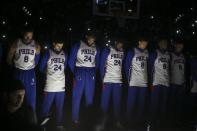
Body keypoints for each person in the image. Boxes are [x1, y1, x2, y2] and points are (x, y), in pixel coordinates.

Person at [6, 26, 40, 116]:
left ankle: (32, 120)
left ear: (32, 35)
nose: (28, 38)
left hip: (30, 73)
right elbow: (9, 58)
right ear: (22, 34)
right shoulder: (16, 43)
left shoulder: (36, 45)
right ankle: (14, 118)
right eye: (26, 36)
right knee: (16, 98)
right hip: (18, 71)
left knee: (31, 98)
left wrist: (30, 67)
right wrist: (15, 67)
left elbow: (37, 60)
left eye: (30, 36)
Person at [68, 31, 100, 125]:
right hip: (80, 71)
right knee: (77, 96)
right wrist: (76, 72)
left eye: (93, 39)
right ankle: (75, 118)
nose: (91, 40)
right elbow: (71, 61)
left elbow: (97, 62)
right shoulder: (78, 45)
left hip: (90, 73)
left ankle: (88, 117)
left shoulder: (96, 47)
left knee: (89, 97)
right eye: (90, 38)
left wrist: (93, 72)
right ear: (86, 36)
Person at [39, 34, 67, 131]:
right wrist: (47, 73)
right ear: (54, 44)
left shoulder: (64, 54)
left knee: (60, 107)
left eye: (61, 46)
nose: (60, 47)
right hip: (50, 85)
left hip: (61, 85)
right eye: (58, 45)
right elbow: (41, 68)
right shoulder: (48, 53)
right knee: (46, 106)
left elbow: (65, 67)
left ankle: (59, 124)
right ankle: (43, 125)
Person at [97, 38, 124, 130]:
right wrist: (102, 78)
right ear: (115, 42)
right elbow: (101, 65)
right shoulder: (107, 50)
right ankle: (101, 122)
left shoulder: (122, 52)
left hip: (118, 81)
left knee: (117, 102)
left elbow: (121, 66)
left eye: (122, 44)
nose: (121, 45)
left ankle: (117, 121)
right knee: (104, 103)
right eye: (120, 43)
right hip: (108, 80)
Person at [124, 36, 149, 126]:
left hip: (143, 82)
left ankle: (139, 121)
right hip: (133, 81)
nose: (145, 44)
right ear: (139, 42)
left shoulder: (147, 52)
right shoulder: (132, 51)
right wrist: (128, 79)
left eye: (146, 43)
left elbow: (148, 67)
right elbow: (127, 66)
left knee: (141, 103)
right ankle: (128, 120)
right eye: (143, 42)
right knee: (131, 102)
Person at [149, 37, 170, 126]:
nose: (164, 44)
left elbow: (170, 69)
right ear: (159, 44)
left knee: (163, 103)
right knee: (154, 103)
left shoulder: (169, 55)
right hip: (156, 82)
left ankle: (162, 121)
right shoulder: (154, 53)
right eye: (162, 43)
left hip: (165, 82)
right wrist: (150, 82)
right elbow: (150, 68)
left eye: (165, 43)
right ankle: (152, 121)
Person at [170, 39, 186, 123]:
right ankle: (171, 118)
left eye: (182, 46)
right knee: (172, 101)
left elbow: (184, 69)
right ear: (176, 45)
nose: (180, 47)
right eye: (179, 45)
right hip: (173, 82)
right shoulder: (171, 55)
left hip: (181, 82)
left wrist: (185, 80)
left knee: (180, 102)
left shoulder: (183, 56)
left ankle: (178, 119)